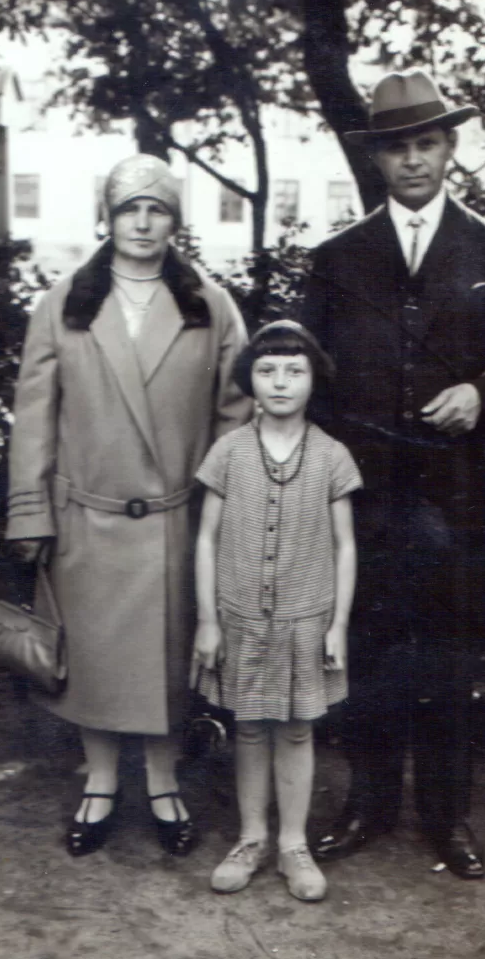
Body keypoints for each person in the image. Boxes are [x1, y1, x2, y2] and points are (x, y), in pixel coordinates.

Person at [301, 69, 485, 878]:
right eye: (396, 147)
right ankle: (368, 804)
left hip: (461, 491)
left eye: (426, 142)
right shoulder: (337, 260)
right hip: (367, 491)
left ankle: (446, 816)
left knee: (452, 652)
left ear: (450, 148)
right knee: (371, 647)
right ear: (377, 159)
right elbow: (303, 374)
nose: (412, 160)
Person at [6, 153, 251, 857]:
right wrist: (31, 511)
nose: (143, 222)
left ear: (177, 219)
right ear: (106, 217)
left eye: (158, 208)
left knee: (169, 662)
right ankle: (103, 781)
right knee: (94, 662)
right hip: (87, 515)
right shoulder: (65, 302)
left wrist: (217, 508)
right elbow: (34, 418)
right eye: (129, 208)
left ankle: (167, 783)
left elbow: (234, 413)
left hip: (175, 519)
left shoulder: (210, 303)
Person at [191, 320, 362, 901]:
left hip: (304, 618)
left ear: (314, 379)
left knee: (294, 730)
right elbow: (207, 538)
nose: (281, 382)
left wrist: (336, 624)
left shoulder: (333, 456)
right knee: (248, 726)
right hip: (239, 616)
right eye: (267, 370)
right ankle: (250, 837)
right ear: (250, 380)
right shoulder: (229, 451)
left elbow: (345, 545)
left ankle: (294, 844)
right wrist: (209, 619)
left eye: (295, 370)